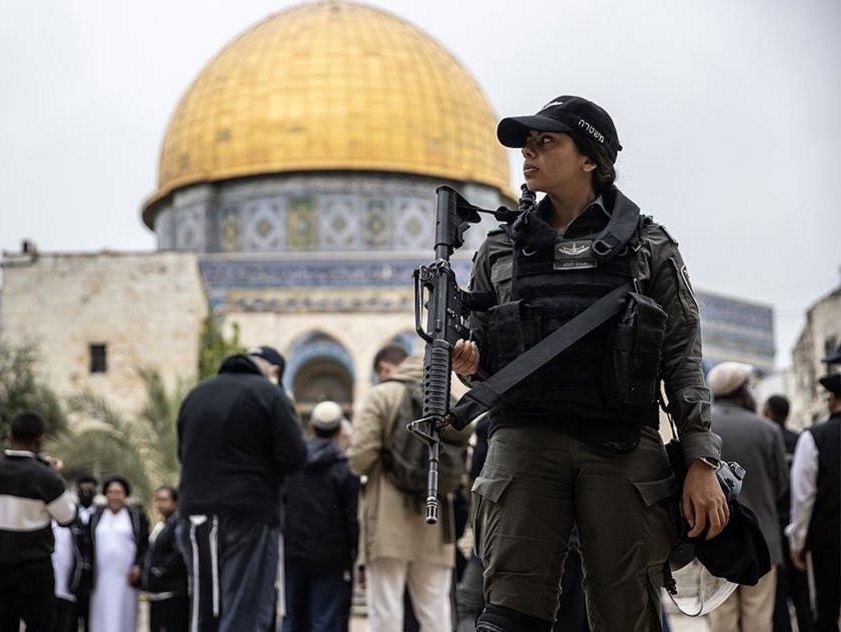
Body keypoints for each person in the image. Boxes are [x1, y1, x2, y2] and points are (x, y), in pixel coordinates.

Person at [454, 96, 728, 632]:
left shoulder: (648, 245)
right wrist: (469, 362)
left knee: (626, 612)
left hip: (619, 448)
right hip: (524, 445)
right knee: (509, 614)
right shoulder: (502, 247)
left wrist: (700, 459)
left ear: (590, 158)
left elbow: (682, 357)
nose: (528, 155)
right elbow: (484, 350)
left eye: (545, 142)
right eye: (525, 145)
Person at [175, 349, 307, 631]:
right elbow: (295, 456)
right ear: (268, 371)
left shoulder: (196, 395)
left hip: (195, 515)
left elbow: (182, 454)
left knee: (204, 611)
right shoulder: (268, 394)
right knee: (244, 611)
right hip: (250, 516)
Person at [348, 354, 471, 632]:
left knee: (385, 610)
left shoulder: (383, 395)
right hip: (435, 521)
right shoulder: (446, 403)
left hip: (387, 520)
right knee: (435, 610)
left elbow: (359, 460)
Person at [0, 412, 76, 632]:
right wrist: (54, 475)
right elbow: (67, 517)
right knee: (40, 625)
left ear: (9, 436)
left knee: (5, 623)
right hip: (35, 566)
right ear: (40, 440)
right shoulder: (46, 478)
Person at [706, 362, 788, 632]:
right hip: (762, 538)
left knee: (722, 617)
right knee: (758, 616)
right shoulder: (767, 430)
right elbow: (781, 486)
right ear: (743, 392)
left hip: (713, 536)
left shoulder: (701, 428)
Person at [283, 401, 360, 632]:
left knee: (292, 618)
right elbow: (352, 518)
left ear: (313, 427)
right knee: (326, 620)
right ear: (339, 430)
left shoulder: (292, 465)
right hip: (332, 557)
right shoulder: (345, 469)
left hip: (293, 552)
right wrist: (355, 555)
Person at [787, 373, 841, 632]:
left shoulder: (814, 437)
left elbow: (803, 495)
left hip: (829, 541)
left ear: (832, 401)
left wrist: (797, 542)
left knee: (827, 610)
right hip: (828, 539)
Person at [763, 394, 814, 632]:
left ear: (769, 412)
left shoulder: (766, 439)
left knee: (779, 592)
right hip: (798, 523)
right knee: (802, 589)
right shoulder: (799, 439)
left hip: (773, 525)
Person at [88, 475, 149, 632]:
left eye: (119, 492)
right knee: (101, 615)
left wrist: (138, 566)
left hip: (126, 578)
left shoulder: (136, 516)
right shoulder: (97, 515)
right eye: (110, 492)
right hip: (101, 577)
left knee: (124, 616)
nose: (114, 496)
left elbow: (144, 545)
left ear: (125, 495)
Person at [142, 486, 190, 632]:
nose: (159, 504)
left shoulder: (179, 523)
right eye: (157, 500)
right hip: (157, 593)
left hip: (172, 593)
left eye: (164, 500)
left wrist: (160, 571)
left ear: (175, 502)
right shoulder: (162, 524)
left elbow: (179, 552)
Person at [71, 475, 98, 632]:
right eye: (82, 491)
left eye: (90, 490)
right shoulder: (71, 513)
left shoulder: (101, 514)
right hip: (73, 575)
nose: (86, 494)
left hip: (94, 577)